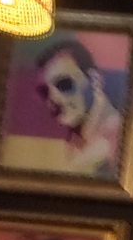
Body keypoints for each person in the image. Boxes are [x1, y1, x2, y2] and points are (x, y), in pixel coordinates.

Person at [35, 39, 123, 178]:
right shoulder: (77, 144)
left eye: (64, 84)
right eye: (45, 92)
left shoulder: (117, 143)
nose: (53, 99)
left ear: (95, 80)